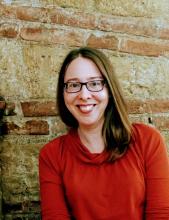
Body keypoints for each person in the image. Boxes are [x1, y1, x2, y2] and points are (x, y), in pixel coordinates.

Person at [39, 47, 169, 219]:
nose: (84, 95)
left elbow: (160, 214)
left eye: (94, 83)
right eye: (73, 85)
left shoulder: (147, 141)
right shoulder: (52, 155)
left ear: (109, 89)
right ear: (63, 93)